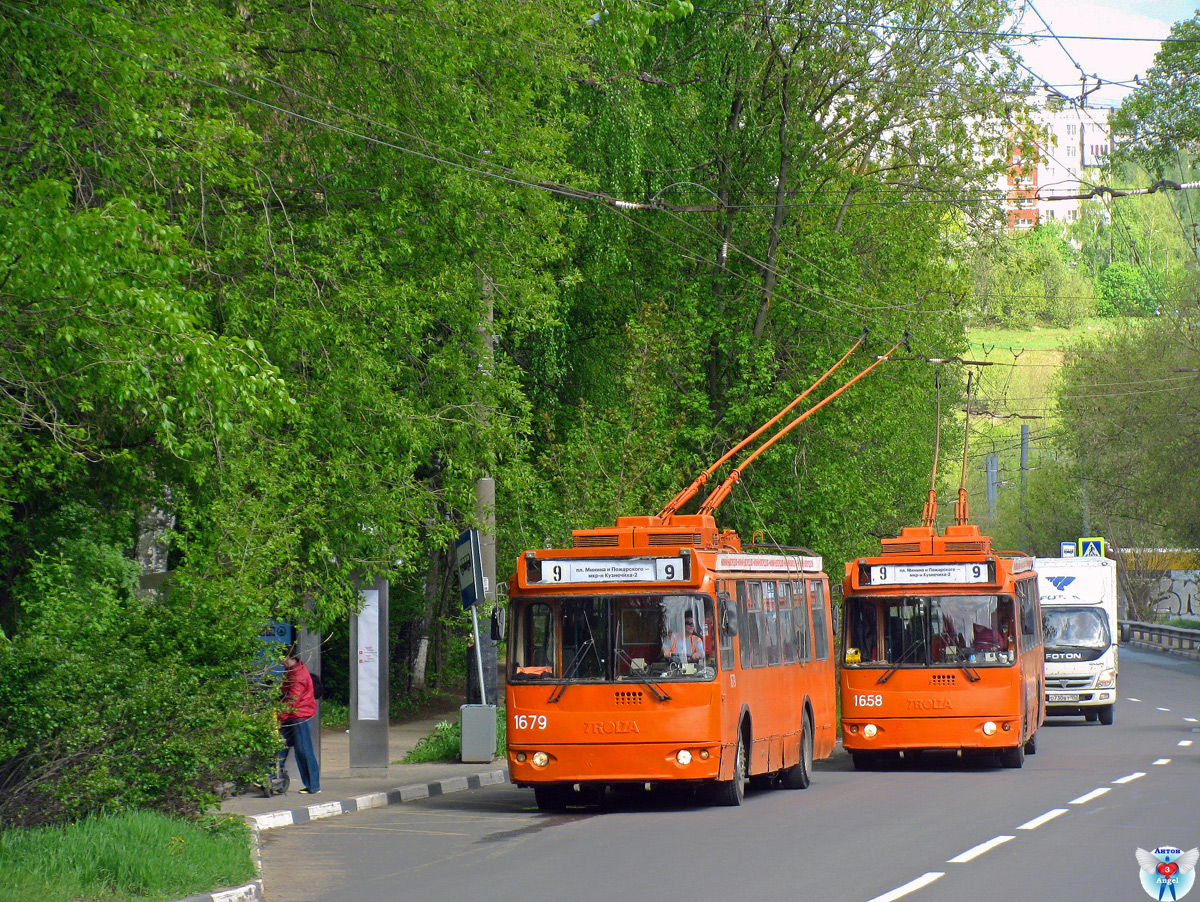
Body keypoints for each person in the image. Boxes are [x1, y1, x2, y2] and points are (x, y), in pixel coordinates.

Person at [279, 649, 321, 794]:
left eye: (281, 659)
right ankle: (272, 778)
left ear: (288, 657)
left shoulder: (298, 676)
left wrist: (280, 717)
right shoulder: (292, 671)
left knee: (303, 751)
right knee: (279, 746)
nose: (280, 662)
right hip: (292, 716)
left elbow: (292, 700)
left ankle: (313, 786)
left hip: (299, 717)